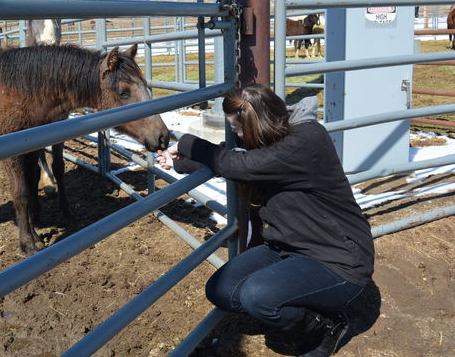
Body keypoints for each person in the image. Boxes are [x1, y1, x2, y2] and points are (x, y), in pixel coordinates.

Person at [158, 84, 375, 357]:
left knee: (256, 296)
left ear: (256, 124)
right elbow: (238, 160)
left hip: (337, 259)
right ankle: (305, 300)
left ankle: (327, 324)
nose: (236, 136)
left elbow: (243, 165)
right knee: (221, 290)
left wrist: (187, 143)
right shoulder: (273, 143)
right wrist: (179, 163)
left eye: (237, 130)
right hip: (288, 247)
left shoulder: (307, 140)